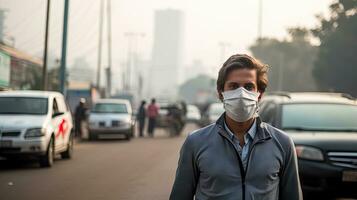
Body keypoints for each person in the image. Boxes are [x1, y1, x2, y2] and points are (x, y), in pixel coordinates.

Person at [170, 54, 302, 200]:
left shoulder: (282, 143)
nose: (241, 93)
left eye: (248, 87)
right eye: (233, 86)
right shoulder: (196, 142)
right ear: (221, 93)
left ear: (259, 94)